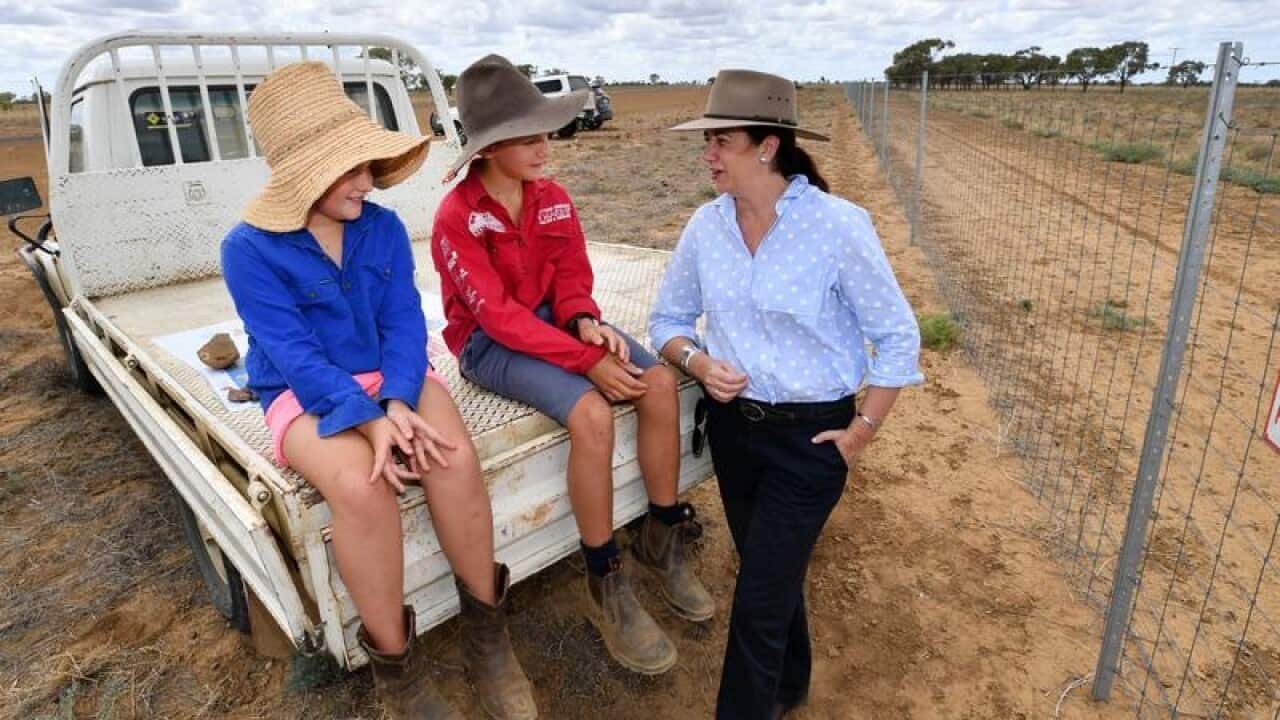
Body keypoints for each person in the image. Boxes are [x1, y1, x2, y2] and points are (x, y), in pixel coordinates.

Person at [221, 62, 535, 720]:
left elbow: (401, 322)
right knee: (363, 488)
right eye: (349, 168)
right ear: (300, 174)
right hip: (304, 391)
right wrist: (367, 422)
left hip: (388, 374)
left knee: (450, 453)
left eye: (368, 164)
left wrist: (396, 402)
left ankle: (488, 635)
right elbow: (292, 354)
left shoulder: (382, 227)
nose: (367, 181)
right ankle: (399, 676)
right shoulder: (247, 249)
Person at [649, 69, 924, 719]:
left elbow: (898, 336)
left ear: (768, 145)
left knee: (757, 603)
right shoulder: (704, 228)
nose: (709, 154)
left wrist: (862, 432)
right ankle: (791, 684)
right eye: (707, 140)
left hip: (812, 441)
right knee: (771, 576)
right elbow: (667, 321)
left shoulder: (837, 226)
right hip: (735, 435)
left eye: (724, 140)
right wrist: (697, 359)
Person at [431, 54, 712, 676]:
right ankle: (604, 575)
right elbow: (500, 319)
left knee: (660, 384)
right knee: (591, 414)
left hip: (557, 327)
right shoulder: (458, 217)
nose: (543, 145)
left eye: (543, 131)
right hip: (488, 343)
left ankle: (662, 534)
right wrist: (586, 360)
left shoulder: (552, 197)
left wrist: (584, 317)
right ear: (490, 147)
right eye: (526, 137)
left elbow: (569, 272)